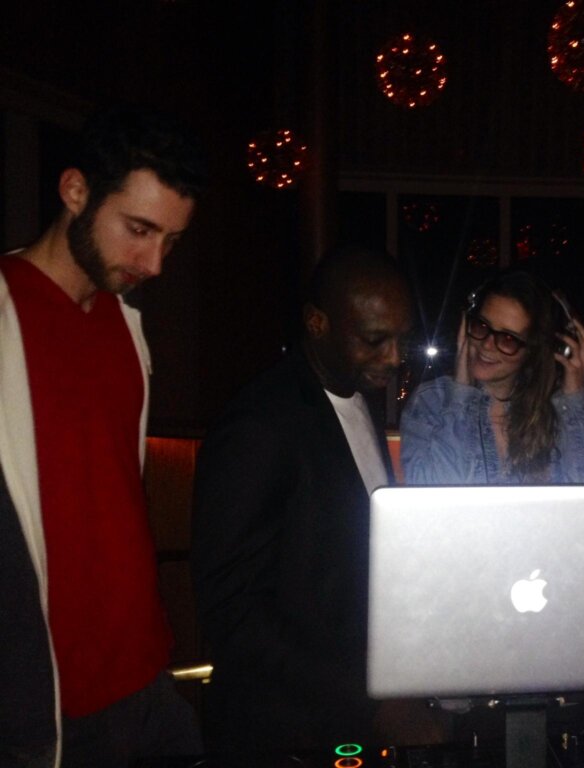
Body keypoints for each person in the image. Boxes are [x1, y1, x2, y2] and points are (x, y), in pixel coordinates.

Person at [0, 106, 207, 767]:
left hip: (150, 678)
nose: (154, 263)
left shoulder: (127, 327)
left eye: (170, 241)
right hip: (50, 709)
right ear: (75, 191)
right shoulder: (6, 309)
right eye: (139, 230)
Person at [191, 245, 432, 752]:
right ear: (317, 323)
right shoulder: (259, 426)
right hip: (282, 732)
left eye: (400, 339)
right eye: (374, 340)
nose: (393, 358)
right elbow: (232, 616)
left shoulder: (357, 396)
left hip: (346, 724)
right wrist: (370, 698)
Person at [400, 269, 584, 484]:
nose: (487, 344)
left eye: (507, 339)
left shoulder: (559, 411)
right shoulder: (431, 402)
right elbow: (435, 499)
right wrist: (461, 393)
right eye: (482, 326)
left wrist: (575, 398)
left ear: (532, 351)